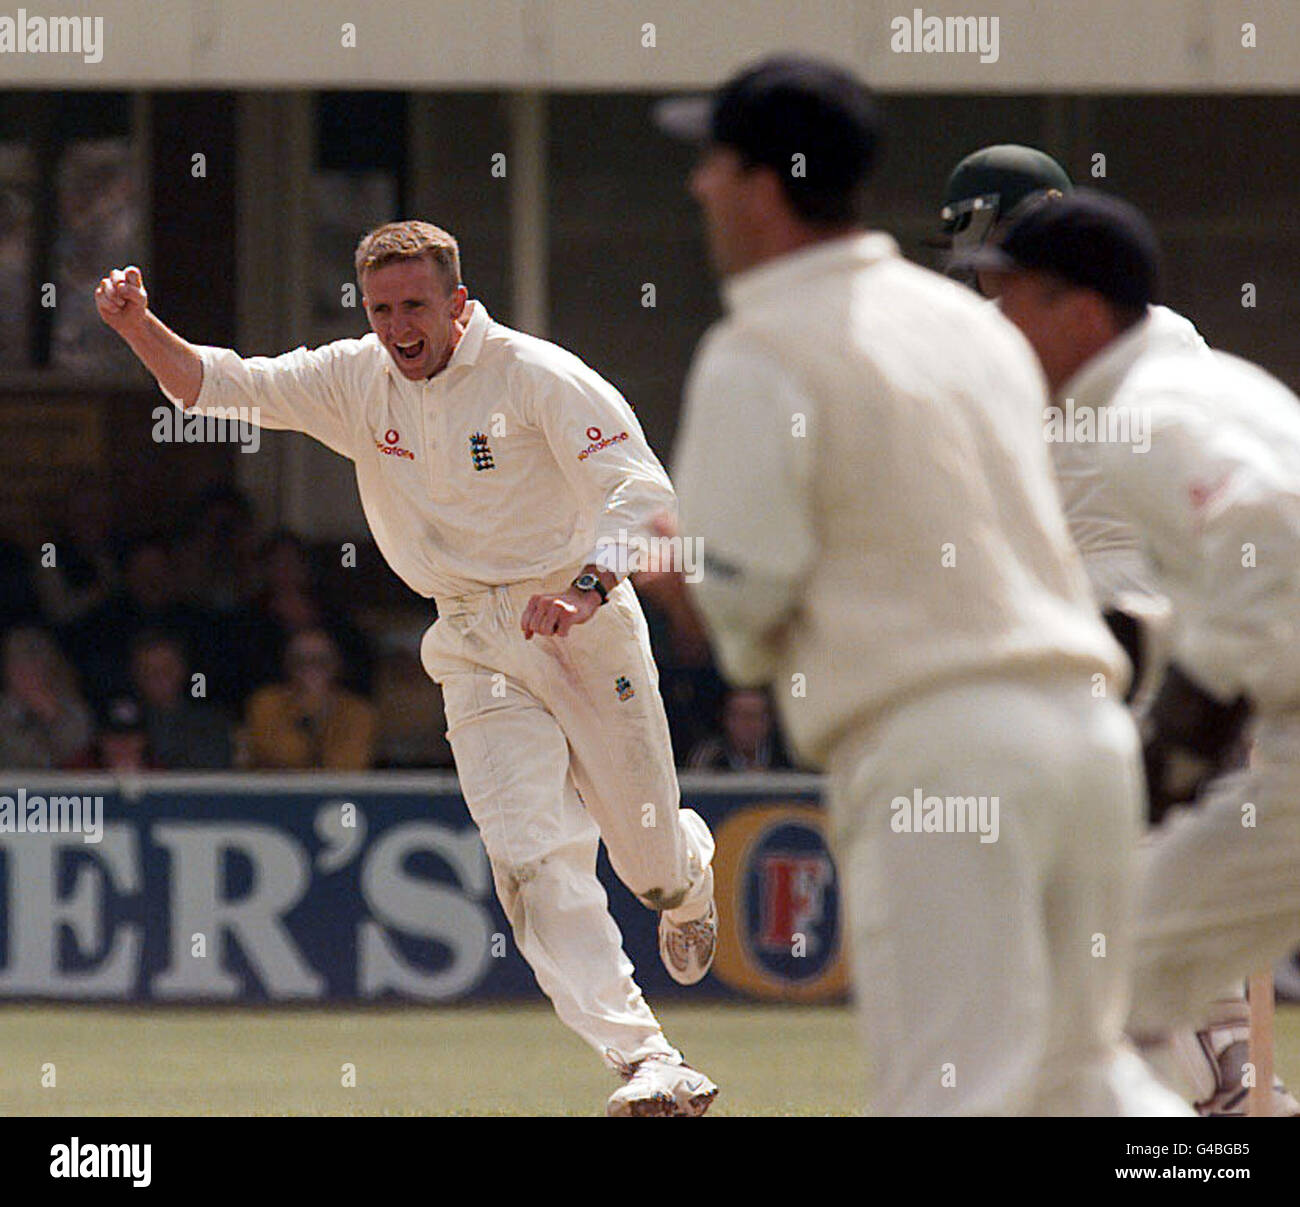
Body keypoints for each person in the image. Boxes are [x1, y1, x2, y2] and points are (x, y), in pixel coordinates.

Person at [657, 56, 1187, 1115]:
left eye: (713, 164)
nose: (698, 187)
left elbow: (745, 606)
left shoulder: (757, 348)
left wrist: (669, 569)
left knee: (952, 1091)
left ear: (764, 185)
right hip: (1087, 733)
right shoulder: (975, 331)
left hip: (945, 749)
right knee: (1084, 1082)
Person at [94, 220, 718, 1117]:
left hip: (578, 622)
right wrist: (135, 327)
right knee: (529, 857)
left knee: (648, 866)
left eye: (416, 305)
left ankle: (687, 873)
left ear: (458, 303)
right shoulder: (357, 378)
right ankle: (648, 1060)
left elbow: (641, 492)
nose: (398, 326)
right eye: (381, 308)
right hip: (468, 639)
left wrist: (585, 588)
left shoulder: (536, 374)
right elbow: (218, 383)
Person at [939, 152, 1297, 1116]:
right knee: (1109, 969)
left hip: (1229, 686)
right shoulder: (1172, 375)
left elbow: (1267, 533)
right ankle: (1228, 1091)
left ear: (1082, 313)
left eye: (1012, 297)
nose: (993, 319)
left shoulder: (1150, 408)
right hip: (1212, 680)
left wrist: (1194, 710)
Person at [243, 628, 376, 770]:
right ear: (287, 664)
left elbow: (349, 764)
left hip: (337, 791)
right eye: (300, 660)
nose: (310, 668)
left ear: (337, 664)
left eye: (321, 661)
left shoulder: (358, 711)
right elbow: (279, 754)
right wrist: (309, 706)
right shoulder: (266, 702)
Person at [130, 630, 232, 769]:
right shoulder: (123, 724)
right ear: (136, 675)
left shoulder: (209, 722)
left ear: (182, 670)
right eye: (148, 671)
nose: (158, 678)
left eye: (166, 670)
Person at [0, 626, 93, 769]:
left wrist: (53, 718)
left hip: (62, 789)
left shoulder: (72, 711)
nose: (26, 672)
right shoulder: (4, 711)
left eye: (34, 664)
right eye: (18, 665)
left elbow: (76, 755)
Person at [686, 687, 790, 771]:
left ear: (769, 721)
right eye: (738, 716)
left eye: (753, 716)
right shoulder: (709, 757)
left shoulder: (788, 754)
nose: (747, 724)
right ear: (725, 720)